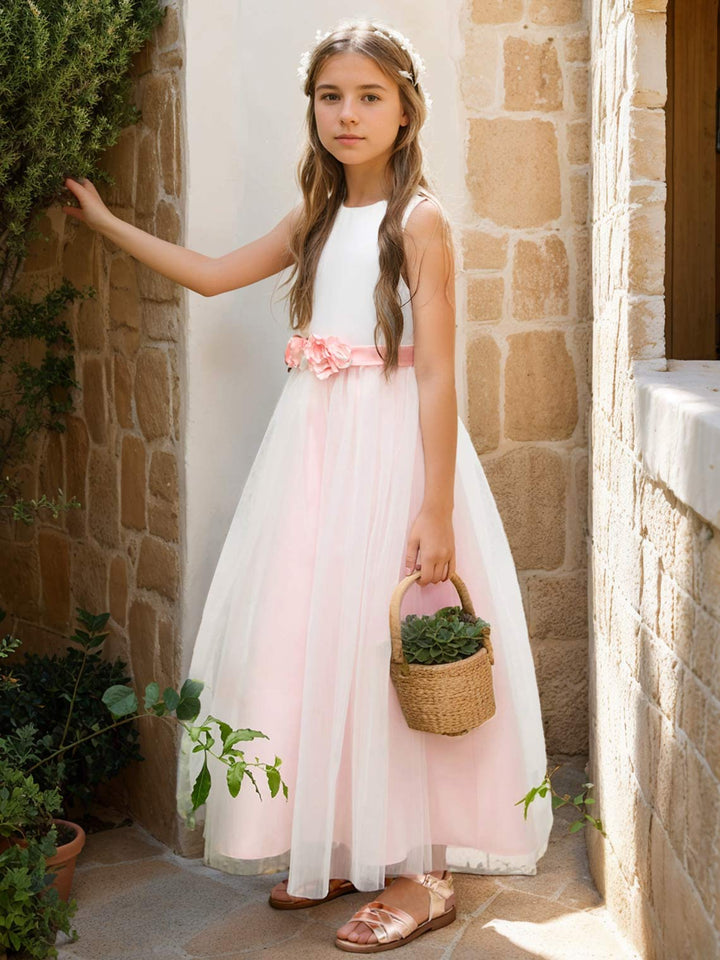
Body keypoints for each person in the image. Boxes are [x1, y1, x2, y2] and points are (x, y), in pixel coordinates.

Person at [61, 18, 552, 953]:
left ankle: (420, 870)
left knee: (392, 642)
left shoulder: (420, 220)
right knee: (317, 633)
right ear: (314, 108)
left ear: (407, 111)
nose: (348, 114)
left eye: (370, 96)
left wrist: (435, 505)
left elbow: (441, 371)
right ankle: (339, 837)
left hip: (395, 456)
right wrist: (109, 222)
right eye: (332, 96)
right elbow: (210, 278)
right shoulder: (318, 218)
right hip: (316, 455)